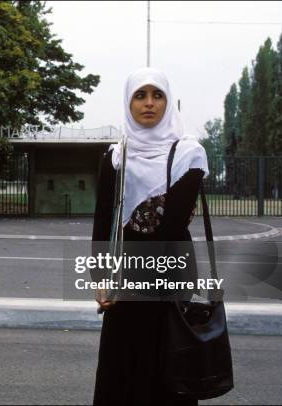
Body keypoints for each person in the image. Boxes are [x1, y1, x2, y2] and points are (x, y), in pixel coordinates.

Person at [92, 68, 210, 405]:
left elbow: (172, 225)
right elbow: (103, 222)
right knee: (124, 364)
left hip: (172, 267)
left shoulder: (189, 154)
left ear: (168, 101)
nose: (148, 104)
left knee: (171, 359)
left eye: (157, 95)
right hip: (125, 270)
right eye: (139, 96)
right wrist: (101, 277)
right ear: (128, 103)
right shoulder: (116, 156)